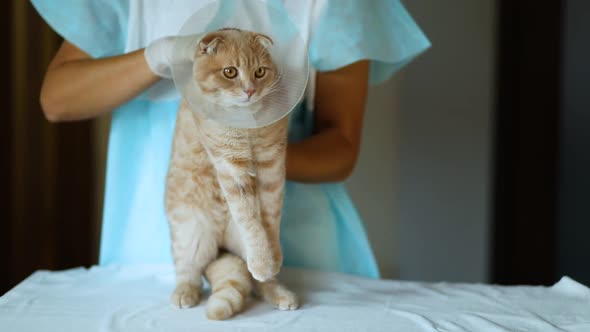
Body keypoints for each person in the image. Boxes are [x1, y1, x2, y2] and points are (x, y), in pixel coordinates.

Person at [32, 0, 430, 279]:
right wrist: (159, 57)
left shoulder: (337, 4)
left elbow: (341, 144)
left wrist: (249, 160)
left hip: (292, 248)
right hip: (154, 245)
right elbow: (58, 99)